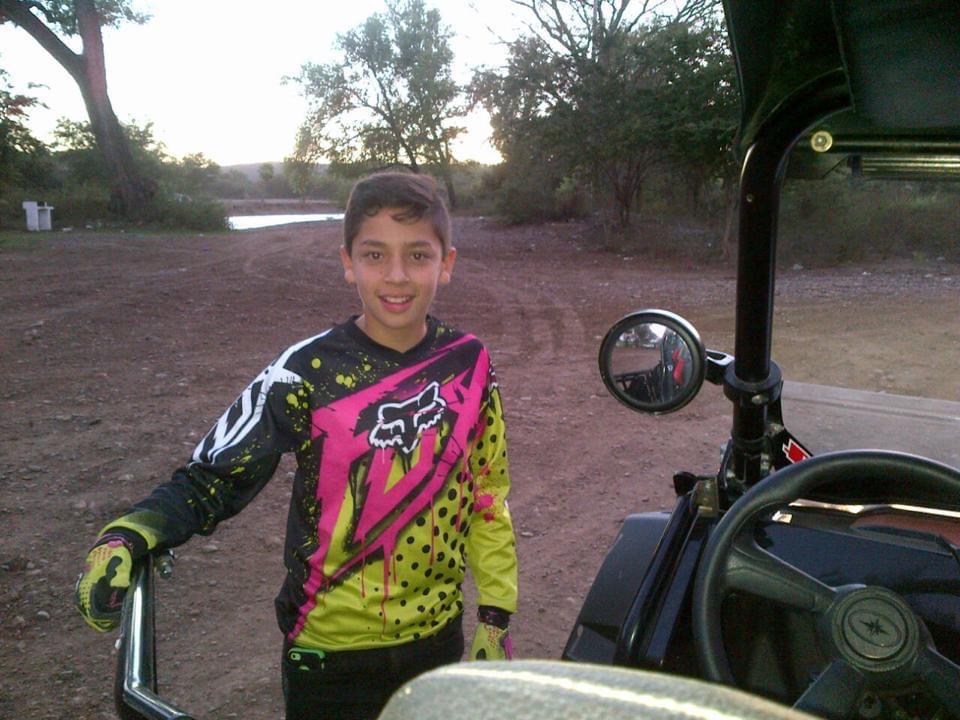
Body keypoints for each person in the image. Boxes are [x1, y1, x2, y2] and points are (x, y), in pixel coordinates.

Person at [74, 172, 519, 720]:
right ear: (348, 262)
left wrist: (495, 617)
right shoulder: (303, 371)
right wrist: (133, 531)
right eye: (374, 255)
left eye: (418, 255)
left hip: (438, 645)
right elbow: (216, 475)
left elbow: (487, 497)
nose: (397, 275)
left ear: (445, 263)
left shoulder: (471, 362)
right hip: (328, 658)